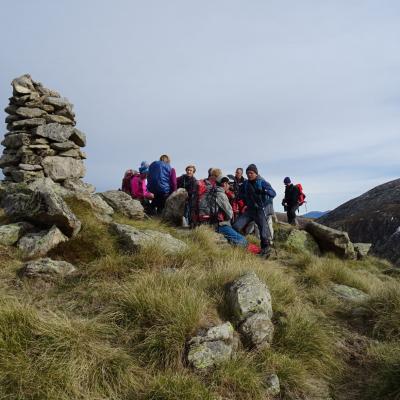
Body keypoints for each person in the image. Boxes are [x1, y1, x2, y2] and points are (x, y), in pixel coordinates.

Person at [233, 164, 276, 257]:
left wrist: (264, 191)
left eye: (251, 173)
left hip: (260, 210)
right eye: (248, 173)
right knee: (236, 226)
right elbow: (241, 194)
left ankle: (265, 251)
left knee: (263, 233)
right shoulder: (245, 183)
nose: (249, 175)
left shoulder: (262, 182)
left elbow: (273, 193)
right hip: (250, 210)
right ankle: (239, 243)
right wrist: (239, 198)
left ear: (256, 173)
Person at [213, 175, 247, 246]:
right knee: (243, 240)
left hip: (213, 223)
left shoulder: (212, 192)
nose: (229, 185)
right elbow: (230, 213)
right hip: (221, 225)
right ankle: (256, 252)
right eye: (228, 183)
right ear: (224, 184)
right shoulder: (221, 195)